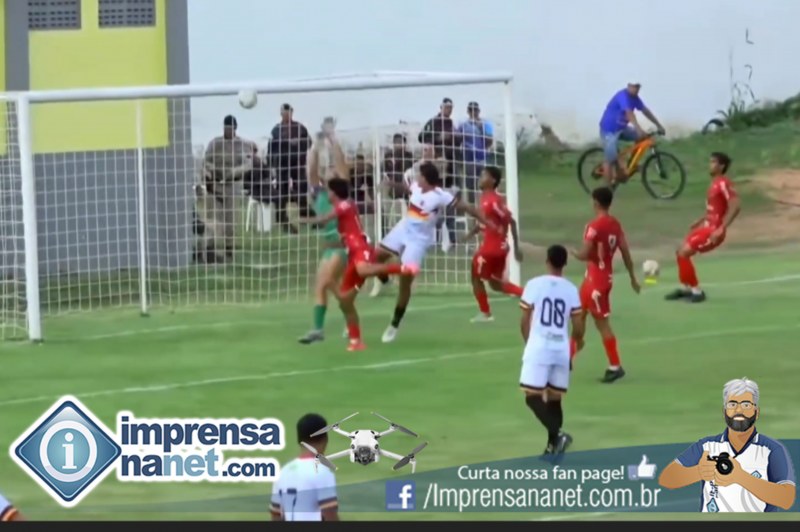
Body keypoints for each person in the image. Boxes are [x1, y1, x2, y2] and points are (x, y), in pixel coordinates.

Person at [376, 161, 495, 344]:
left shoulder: (441, 196)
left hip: (419, 240)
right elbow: (406, 188)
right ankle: (385, 281)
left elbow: (468, 208)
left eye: (420, 175)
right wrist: (390, 183)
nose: (417, 178)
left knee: (405, 283)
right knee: (374, 257)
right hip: (403, 229)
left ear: (426, 179)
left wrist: (486, 222)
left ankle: (394, 325)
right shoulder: (417, 187)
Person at [300, 178, 417, 351]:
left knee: (363, 270)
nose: (327, 194)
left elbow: (324, 219)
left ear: (334, 193)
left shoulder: (344, 205)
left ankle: (402, 269)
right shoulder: (344, 205)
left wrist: (303, 220)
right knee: (344, 301)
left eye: (329, 191)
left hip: (360, 247)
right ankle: (356, 342)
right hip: (352, 253)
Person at [658, 378, 796, 512]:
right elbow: (667, 479)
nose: (738, 410)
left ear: (757, 412)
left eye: (746, 405)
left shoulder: (771, 449)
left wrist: (740, 477)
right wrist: (699, 472)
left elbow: (787, 499)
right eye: (732, 404)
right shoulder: (707, 446)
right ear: (724, 412)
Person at [519, 245, 585, 455]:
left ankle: (557, 435)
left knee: (532, 397)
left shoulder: (534, 284)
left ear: (547, 261)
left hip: (539, 347)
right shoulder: (571, 289)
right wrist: (576, 343)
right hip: (561, 349)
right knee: (555, 399)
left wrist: (530, 343)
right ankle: (552, 447)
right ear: (565, 264)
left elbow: (524, 320)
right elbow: (578, 325)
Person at [571, 186, 640, 383]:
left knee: (601, 324)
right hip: (597, 278)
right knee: (578, 316)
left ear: (595, 202)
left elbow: (584, 253)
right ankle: (567, 357)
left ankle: (615, 366)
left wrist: (574, 253)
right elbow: (625, 252)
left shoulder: (593, 226)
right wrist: (632, 277)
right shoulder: (615, 225)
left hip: (597, 283)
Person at [298, 120, 350, 345]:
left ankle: (349, 316)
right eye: (327, 170)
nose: (329, 170)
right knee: (321, 286)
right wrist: (315, 145)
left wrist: (332, 138)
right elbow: (311, 170)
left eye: (332, 170)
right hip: (327, 249)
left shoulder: (342, 193)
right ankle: (319, 329)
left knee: (327, 282)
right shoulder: (319, 194)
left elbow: (341, 164)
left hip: (341, 249)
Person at [665, 152, 741, 304]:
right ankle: (686, 288)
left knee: (684, 253)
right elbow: (716, 209)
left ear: (721, 166)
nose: (710, 165)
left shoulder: (724, 183)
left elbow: (735, 205)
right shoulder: (714, 184)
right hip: (706, 226)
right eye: (710, 161)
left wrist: (721, 228)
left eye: (713, 162)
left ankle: (697, 292)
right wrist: (701, 219)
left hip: (713, 231)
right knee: (680, 252)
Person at [466, 166, 524, 322]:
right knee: (495, 284)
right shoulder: (485, 199)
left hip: (491, 248)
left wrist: (516, 247)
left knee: (475, 277)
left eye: (484, 175)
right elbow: (486, 223)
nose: (480, 178)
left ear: (492, 180)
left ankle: (485, 313)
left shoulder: (493, 201)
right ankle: (528, 295)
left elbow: (510, 221)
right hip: (499, 248)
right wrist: (469, 235)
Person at [203, 115, 258, 261]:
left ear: (235, 129)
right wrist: (213, 170)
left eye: (230, 128)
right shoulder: (215, 143)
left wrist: (234, 171)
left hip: (233, 185)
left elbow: (248, 164)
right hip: (216, 185)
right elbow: (206, 161)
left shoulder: (243, 144)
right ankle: (209, 247)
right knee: (213, 218)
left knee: (231, 219)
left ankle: (229, 248)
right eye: (226, 128)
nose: (228, 131)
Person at [271, 414, 340, 521]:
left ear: (299, 440)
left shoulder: (283, 472)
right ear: (325, 439)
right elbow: (329, 514)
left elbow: (276, 515)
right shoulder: (322, 472)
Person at [598, 82, 665, 185]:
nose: (636, 89)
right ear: (628, 86)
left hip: (622, 129)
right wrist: (638, 129)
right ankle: (607, 189)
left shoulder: (635, 98)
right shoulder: (623, 96)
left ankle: (631, 165)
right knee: (610, 160)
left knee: (643, 138)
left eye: (638, 87)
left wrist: (659, 125)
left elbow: (645, 111)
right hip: (609, 130)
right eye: (634, 86)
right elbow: (629, 114)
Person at [458, 101, 494, 204]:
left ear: (479, 111)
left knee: (486, 184)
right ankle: (472, 208)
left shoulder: (486, 124)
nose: (473, 112)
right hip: (469, 159)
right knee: (471, 186)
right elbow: (457, 140)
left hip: (482, 159)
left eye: (475, 110)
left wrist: (481, 129)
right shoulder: (463, 125)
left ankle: (487, 205)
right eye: (471, 110)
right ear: (468, 112)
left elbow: (490, 141)